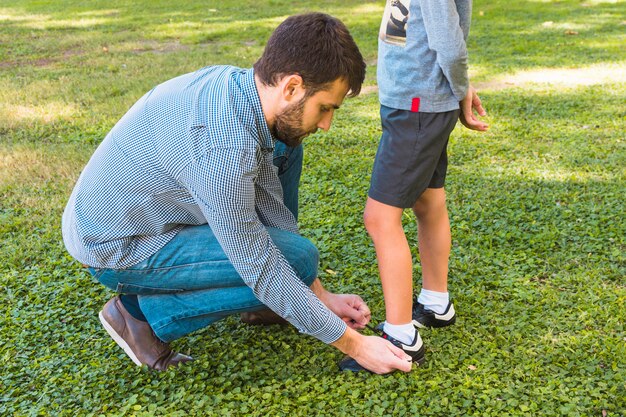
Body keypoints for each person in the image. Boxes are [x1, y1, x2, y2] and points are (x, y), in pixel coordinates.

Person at [62, 13, 413, 374]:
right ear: (291, 87)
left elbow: (271, 211)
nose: (326, 124)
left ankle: (271, 303)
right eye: (325, 108)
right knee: (293, 261)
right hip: (118, 245)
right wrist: (355, 345)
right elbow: (258, 264)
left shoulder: (241, 91)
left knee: (287, 148)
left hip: (152, 213)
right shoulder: (225, 151)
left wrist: (319, 297)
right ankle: (137, 315)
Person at [339, 0, 489, 371]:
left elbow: (451, 45)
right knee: (428, 202)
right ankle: (437, 304)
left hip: (418, 107)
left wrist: (460, 90)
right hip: (417, 103)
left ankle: (402, 335)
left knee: (379, 218)